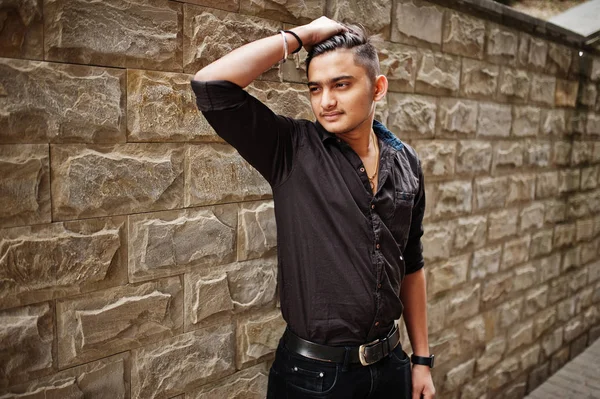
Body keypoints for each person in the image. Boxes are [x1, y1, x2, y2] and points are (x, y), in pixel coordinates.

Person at [191, 16, 435, 399]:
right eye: (315, 88)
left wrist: (421, 360)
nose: (327, 101)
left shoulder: (407, 162)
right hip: (313, 378)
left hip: (392, 367)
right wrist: (300, 36)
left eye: (341, 84)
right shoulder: (291, 149)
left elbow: (412, 263)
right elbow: (211, 86)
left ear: (378, 88)